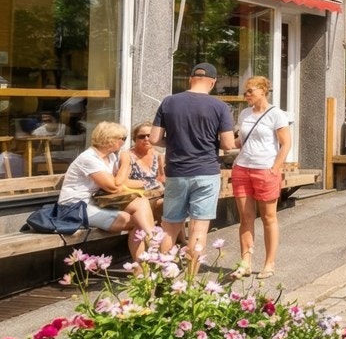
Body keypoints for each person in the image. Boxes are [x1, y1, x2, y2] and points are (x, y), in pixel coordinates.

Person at [154, 63, 236, 272]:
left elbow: (155, 138)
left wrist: (173, 142)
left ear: (191, 78)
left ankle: (164, 277)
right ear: (213, 82)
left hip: (176, 172)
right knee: (198, 229)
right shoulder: (219, 107)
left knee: (169, 226)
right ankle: (190, 282)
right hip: (206, 172)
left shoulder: (169, 102)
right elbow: (228, 144)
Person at [59, 121, 155, 261]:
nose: (123, 143)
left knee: (141, 202)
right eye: (122, 138)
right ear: (109, 139)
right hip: (75, 208)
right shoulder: (89, 158)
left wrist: (145, 183)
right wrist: (128, 167)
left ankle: (150, 248)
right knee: (137, 221)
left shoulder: (110, 157)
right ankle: (151, 251)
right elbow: (113, 186)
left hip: (97, 201)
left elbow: (120, 182)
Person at [230, 75, 293, 277]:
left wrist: (275, 168)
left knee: (268, 217)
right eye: (245, 91)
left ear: (263, 91)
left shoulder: (277, 114)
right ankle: (245, 262)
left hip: (265, 169)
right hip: (242, 168)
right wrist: (223, 143)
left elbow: (286, 143)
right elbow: (241, 141)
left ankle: (269, 263)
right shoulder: (245, 114)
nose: (246, 95)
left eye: (250, 91)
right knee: (245, 217)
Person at [124, 123, 166, 189]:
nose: (146, 139)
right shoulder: (128, 156)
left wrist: (161, 169)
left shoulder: (159, 156)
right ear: (135, 139)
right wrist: (153, 184)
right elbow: (124, 182)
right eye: (141, 136)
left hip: (157, 195)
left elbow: (162, 180)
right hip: (137, 195)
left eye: (150, 135)